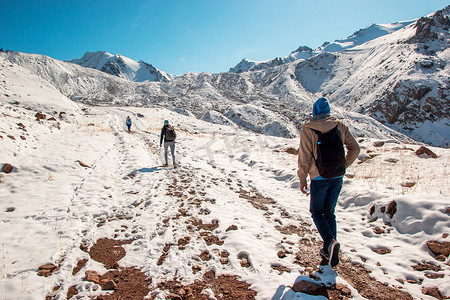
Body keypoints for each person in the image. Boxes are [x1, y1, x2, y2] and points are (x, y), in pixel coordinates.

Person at [297, 97, 360, 267]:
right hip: (337, 177)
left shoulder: (308, 129)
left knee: (317, 212)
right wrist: (344, 165)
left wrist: (302, 177)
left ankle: (330, 242)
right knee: (329, 213)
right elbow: (355, 148)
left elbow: (304, 157)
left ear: (314, 111)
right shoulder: (340, 126)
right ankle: (329, 248)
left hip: (319, 178)